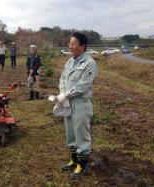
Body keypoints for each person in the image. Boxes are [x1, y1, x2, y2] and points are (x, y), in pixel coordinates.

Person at [49, 32, 98, 179]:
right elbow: (63, 78)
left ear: (82, 46)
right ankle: (74, 160)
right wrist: (62, 93)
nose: (70, 46)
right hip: (67, 102)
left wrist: (65, 94)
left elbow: (82, 86)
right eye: (69, 43)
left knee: (81, 135)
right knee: (70, 133)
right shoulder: (70, 62)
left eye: (73, 44)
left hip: (81, 104)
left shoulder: (90, 63)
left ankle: (82, 166)